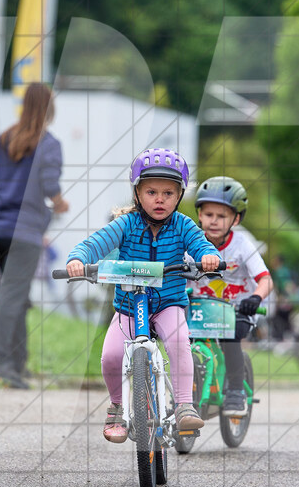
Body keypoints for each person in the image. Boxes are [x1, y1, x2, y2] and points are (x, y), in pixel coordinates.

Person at [65, 148, 220, 442]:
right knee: (111, 356)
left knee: (178, 341)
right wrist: (78, 259)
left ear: (179, 196)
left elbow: (202, 245)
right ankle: (117, 409)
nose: (159, 199)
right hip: (128, 307)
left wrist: (209, 257)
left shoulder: (184, 225)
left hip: (167, 303)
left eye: (168, 193)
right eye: (151, 192)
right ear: (137, 193)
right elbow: (95, 243)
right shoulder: (126, 224)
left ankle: (185, 404)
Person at [0, 83, 69, 389]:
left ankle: (18, 364)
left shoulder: (5, 138)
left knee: (18, 296)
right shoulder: (48, 143)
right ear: (49, 108)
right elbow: (50, 185)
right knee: (12, 296)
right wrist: (60, 202)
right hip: (24, 233)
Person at [187, 176, 274, 416]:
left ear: (235, 219)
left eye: (222, 216)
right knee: (181, 339)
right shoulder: (190, 242)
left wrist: (255, 299)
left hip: (237, 310)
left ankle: (236, 390)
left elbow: (265, 279)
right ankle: (184, 393)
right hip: (200, 309)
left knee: (229, 337)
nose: (214, 221)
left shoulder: (243, 245)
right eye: (208, 215)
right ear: (199, 215)